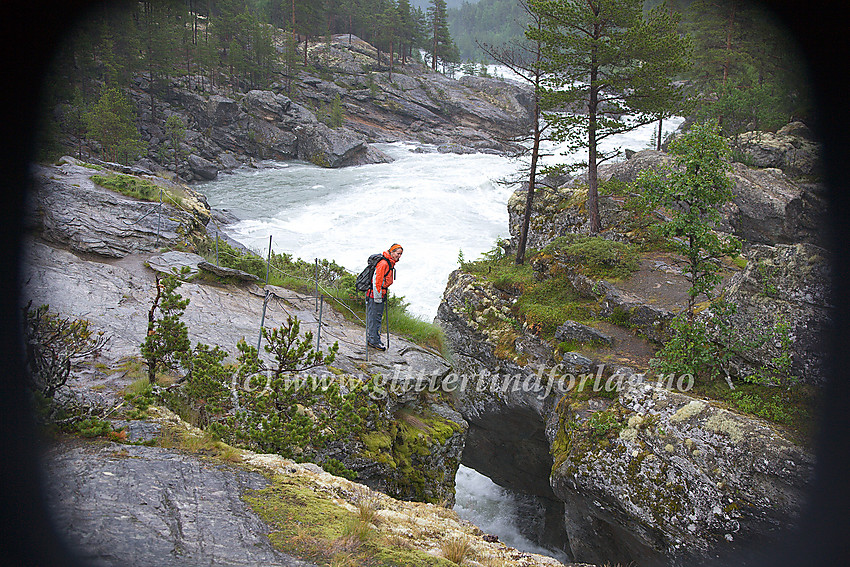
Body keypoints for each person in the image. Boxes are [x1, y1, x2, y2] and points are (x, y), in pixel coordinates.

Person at [366, 243, 402, 350]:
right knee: (375, 318)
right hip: (376, 295)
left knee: (374, 317)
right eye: (398, 253)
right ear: (391, 252)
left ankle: (372, 338)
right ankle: (374, 341)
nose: (399, 256)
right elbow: (377, 281)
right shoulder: (384, 264)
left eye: (400, 254)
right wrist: (378, 297)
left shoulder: (388, 263)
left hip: (378, 294)